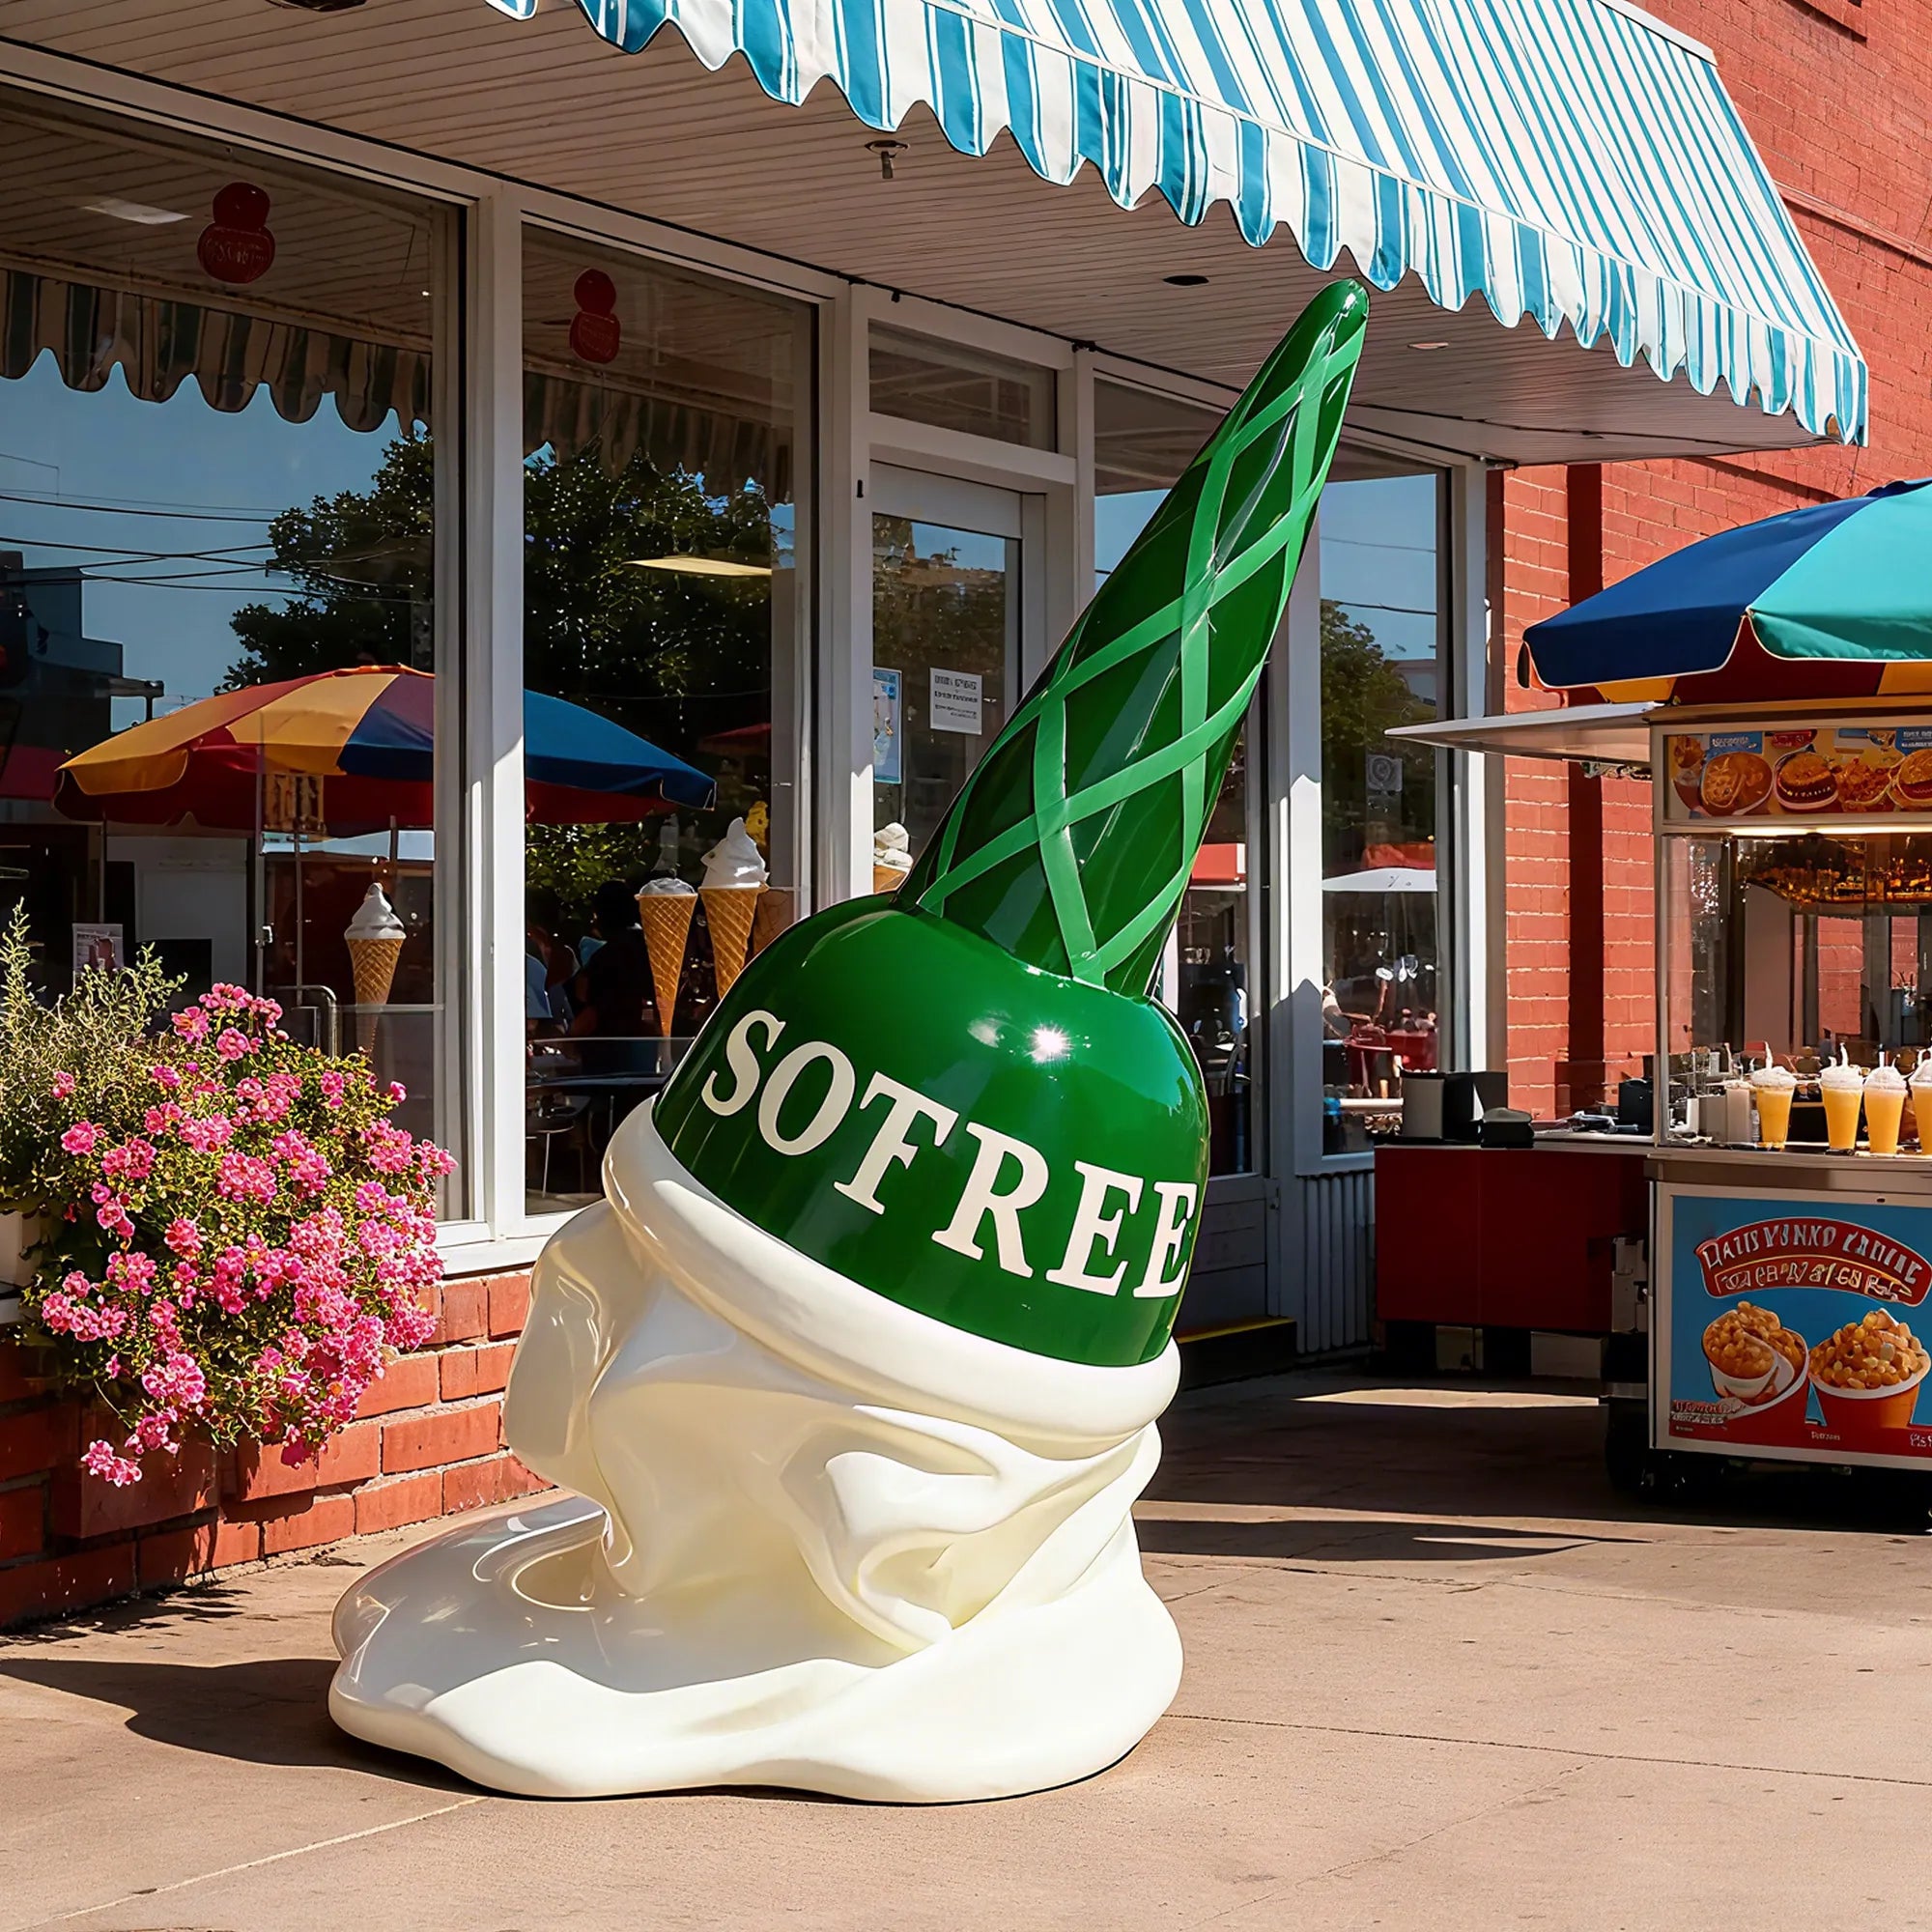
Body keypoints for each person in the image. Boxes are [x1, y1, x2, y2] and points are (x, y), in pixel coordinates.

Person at [570, 880, 653, 1037]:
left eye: (596, 915)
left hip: (617, 1042)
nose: (594, 921)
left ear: (603, 915)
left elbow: (593, 1013)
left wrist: (568, 1040)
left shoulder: (609, 957)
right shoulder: (651, 947)